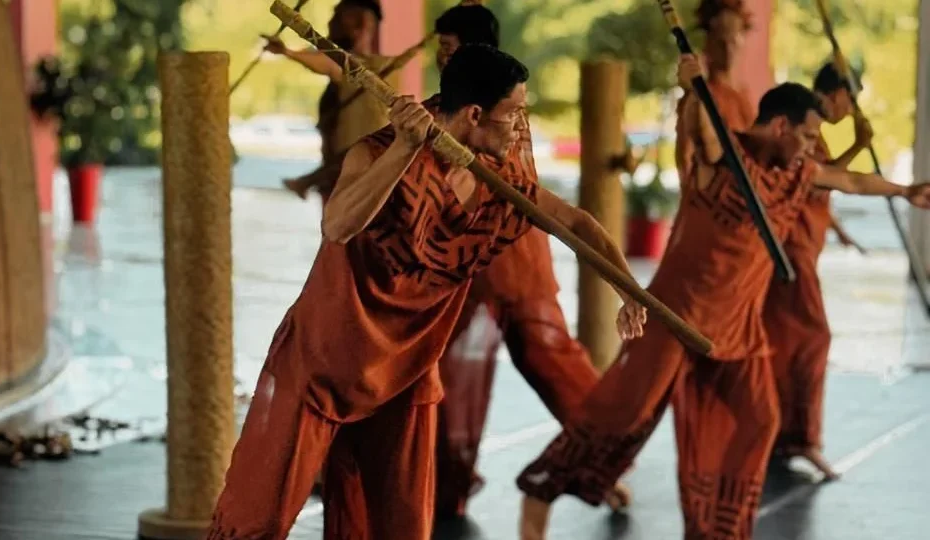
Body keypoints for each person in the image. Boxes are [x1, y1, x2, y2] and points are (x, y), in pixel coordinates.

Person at [205, 44, 647, 540]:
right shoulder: (376, 151)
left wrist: (628, 289)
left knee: (398, 527)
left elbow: (577, 224)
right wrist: (404, 149)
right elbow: (338, 224)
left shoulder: (496, 184)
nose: (521, 128)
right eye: (515, 114)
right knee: (255, 519)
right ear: (476, 114)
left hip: (406, 371)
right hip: (324, 358)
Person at [515, 55, 930, 540]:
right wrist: (693, 89)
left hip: (738, 329)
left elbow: (854, 181)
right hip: (676, 319)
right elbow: (705, 135)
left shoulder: (797, 173)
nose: (815, 146)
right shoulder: (722, 160)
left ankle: (717, 531)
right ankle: (540, 493)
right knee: (624, 417)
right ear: (780, 126)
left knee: (758, 420)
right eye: (810, 135)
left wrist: (905, 191)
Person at [426, 4, 630, 518]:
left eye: (449, 51)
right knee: (437, 380)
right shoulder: (441, 110)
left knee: (552, 362)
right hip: (459, 267)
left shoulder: (497, 110)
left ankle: (602, 464)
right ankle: (438, 486)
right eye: (440, 49)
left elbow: (536, 201)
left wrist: (627, 288)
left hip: (513, 257)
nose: (439, 59)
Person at [763, 61, 871, 480]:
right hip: (791, 255)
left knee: (784, 345)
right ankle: (803, 439)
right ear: (837, 93)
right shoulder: (805, 134)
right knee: (813, 339)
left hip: (798, 251)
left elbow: (813, 192)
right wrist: (860, 146)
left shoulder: (814, 136)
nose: (851, 107)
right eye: (851, 97)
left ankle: (778, 435)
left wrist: (838, 229)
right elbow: (819, 180)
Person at [263, 0, 401, 202]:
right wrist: (287, 52)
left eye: (339, 17)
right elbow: (328, 61)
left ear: (366, 25)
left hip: (360, 170)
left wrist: (287, 52)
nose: (332, 23)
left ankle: (307, 182)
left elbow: (330, 63)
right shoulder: (353, 67)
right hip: (343, 166)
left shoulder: (376, 68)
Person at [675, 0, 756, 188]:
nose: (728, 50)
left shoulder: (743, 94)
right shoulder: (700, 96)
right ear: (708, 43)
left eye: (734, 41)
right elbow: (685, 159)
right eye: (721, 43)